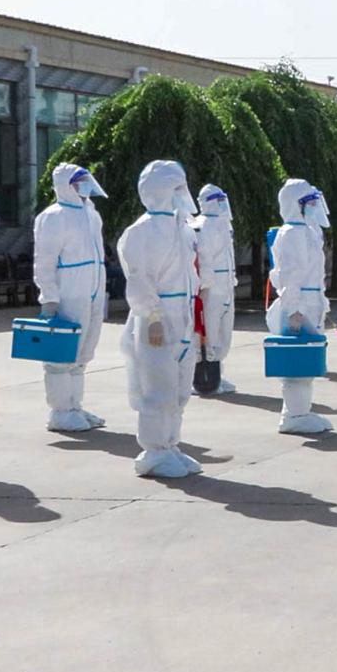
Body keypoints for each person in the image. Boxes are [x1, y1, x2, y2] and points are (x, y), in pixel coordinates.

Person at [118, 161, 202, 477]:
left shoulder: (182, 228)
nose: (181, 193)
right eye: (175, 187)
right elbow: (139, 279)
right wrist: (152, 316)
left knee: (179, 386)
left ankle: (170, 445)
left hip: (182, 314)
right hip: (157, 316)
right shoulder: (142, 231)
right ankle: (154, 451)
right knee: (158, 386)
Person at [33, 163, 109, 432]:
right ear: (65, 185)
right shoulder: (53, 216)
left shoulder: (91, 213)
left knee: (83, 351)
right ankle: (60, 411)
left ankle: (74, 406)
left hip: (93, 289)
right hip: (69, 291)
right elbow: (44, 260)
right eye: (78, 181)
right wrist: (49, 297)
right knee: (61, 353)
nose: (83, 186)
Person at [267, 179, 334, 433]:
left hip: (309, 301)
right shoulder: (292, 233)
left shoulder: (306, 231)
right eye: (311, 202)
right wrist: (294, 308)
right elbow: (290, 274)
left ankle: (298, 411)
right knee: (298, 360)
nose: (315, 207)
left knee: (307, 359)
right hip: (300, 304)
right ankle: (295, 416)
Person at [191, 183, 237, 394]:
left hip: (225, 284)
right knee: (207, 332)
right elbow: (203, 256)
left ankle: (217, 373)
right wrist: (203, 285)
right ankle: (202, 378)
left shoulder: (224, 225)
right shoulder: (200, 225)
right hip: (210, 287)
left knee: (223, 330)